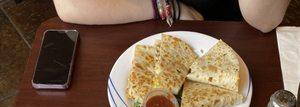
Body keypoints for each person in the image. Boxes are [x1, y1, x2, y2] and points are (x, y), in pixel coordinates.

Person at [52, 0, 290, 33]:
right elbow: (70, 4)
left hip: (227, 34)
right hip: (125, 20)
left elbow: (264, 21)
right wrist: (163, 7)